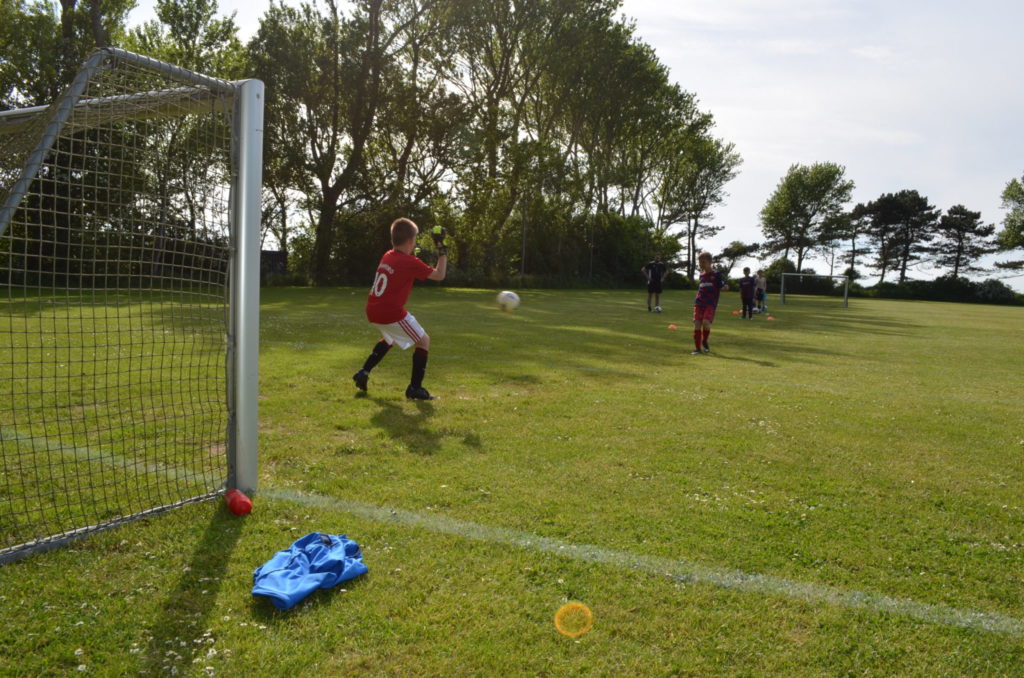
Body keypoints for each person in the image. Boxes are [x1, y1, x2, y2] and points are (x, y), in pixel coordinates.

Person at [352, 218, 447, 400]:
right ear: (411, 241)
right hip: (390, 312)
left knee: (389, 338)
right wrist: (442, 250)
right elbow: (439, 275)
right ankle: (415, 389)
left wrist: (413, 258)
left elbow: (402, 268)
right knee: (423, 341)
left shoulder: (387, 255)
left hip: (373, 309)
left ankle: (363, 371)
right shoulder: (410, 261)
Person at [691, 251, 728, 355]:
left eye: (703, 262)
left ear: (710, 262)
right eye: (700, 262)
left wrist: (725, 287)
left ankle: (704, 340)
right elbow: (701, 288)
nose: (701, 264)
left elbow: (722, 285)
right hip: (699, 302)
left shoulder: (716, 274)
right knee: (697, 324)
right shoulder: (701, 275)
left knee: (706, 323)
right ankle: (697, 348)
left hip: (710, 303)